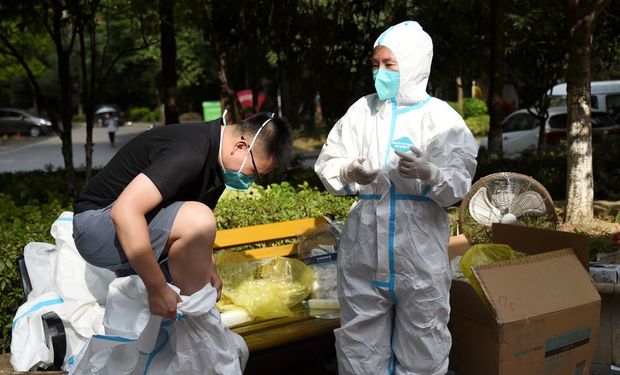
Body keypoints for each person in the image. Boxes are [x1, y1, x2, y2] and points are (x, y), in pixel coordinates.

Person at [314, 21, 478, 375]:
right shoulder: (362, 112)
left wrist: (431, 173)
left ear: (415, 65)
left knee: (424, 341)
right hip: (363, 250)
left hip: (417, 252)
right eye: (375, 64)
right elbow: (328, 161)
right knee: (359, 345)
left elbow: (459, 181)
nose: (380, 73)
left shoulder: (441, 119)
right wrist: (347, 172)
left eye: (390, 65)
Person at [73, 111, 292, 322]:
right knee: (199, 220)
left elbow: (193, 228)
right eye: (253, 172)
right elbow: (124, 211)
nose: (249, 181)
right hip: (95, 227)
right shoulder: (191, 151)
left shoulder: (217, 160)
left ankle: (188, 329)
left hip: (123, 227)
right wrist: (156, 287)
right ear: (240, 147)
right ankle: (195, 328)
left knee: (186, 286)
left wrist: (209, 267)